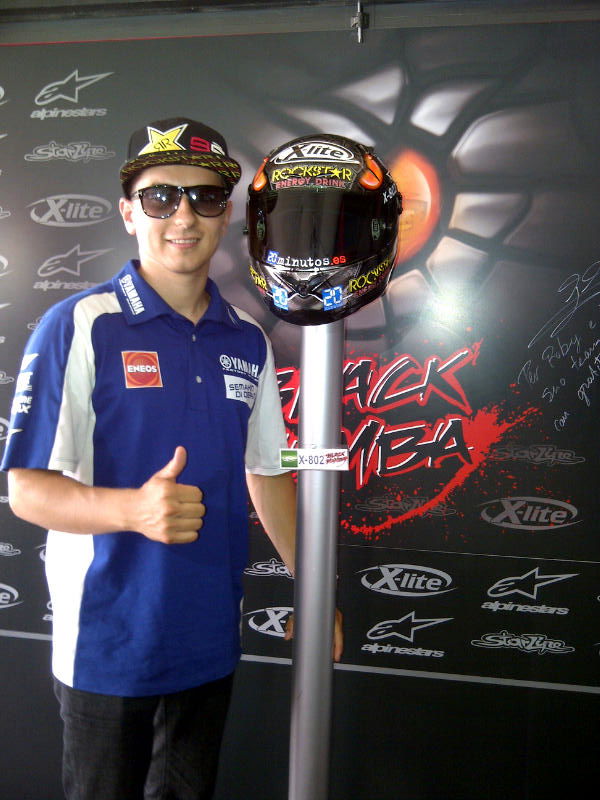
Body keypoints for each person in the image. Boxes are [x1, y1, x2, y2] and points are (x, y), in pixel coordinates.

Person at [1, 116, 342, 800]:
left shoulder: (247, 339)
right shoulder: (80, 324)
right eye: (161, 197)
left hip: (207, 641)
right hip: (107, 646)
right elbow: (28, 492)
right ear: (130, 213)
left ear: (226, 216)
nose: (183, 215)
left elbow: (267, 472)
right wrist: (134, 510)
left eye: (205, 197)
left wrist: (315, 588)